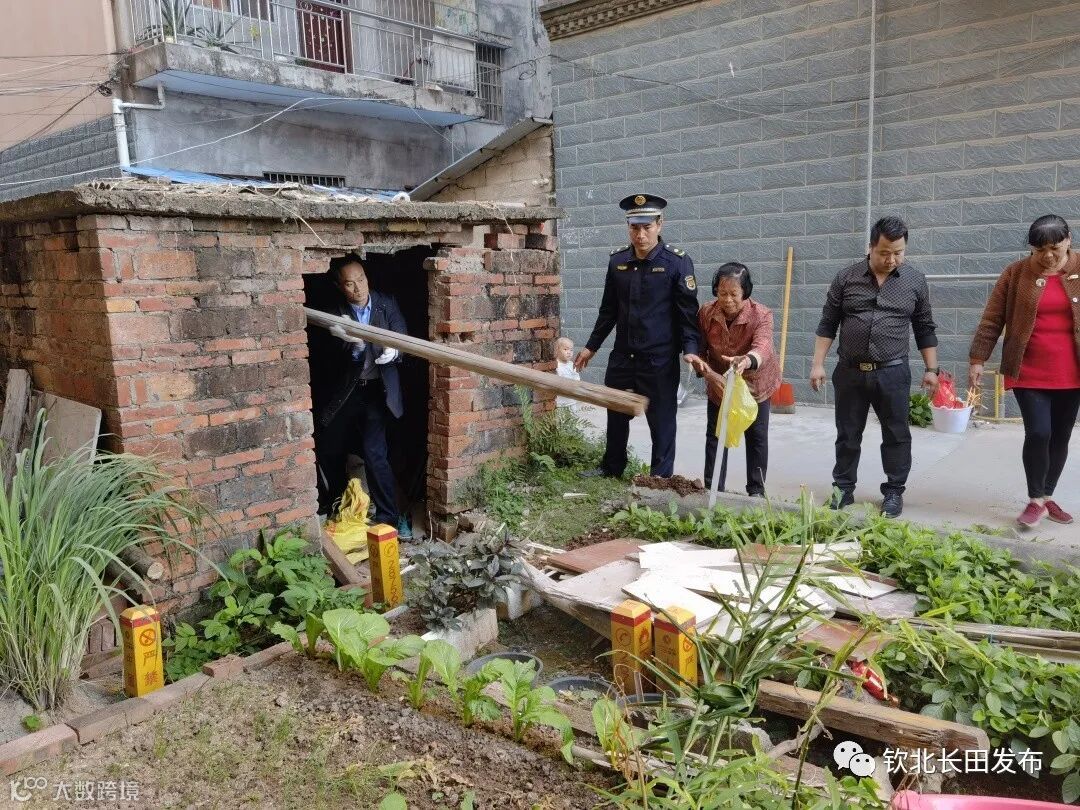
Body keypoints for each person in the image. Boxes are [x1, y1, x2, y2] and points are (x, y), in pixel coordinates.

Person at [810, 216, 939, 518]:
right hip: (850, 371)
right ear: (870, 247)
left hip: (893, 372)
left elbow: (924, 327)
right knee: (847, 433)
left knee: (896, 434)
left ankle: (893, 491)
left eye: (898, 253)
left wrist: (931, 369)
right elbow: (828, 324)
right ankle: (843, 489)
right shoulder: (846, 278)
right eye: (884, 253)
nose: (891, 259)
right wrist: (817, 364)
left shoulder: (915, 281)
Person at [574, 194, 702, 478]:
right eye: (635, 227)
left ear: (659, 224)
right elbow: (608, 310)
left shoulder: (677, 263)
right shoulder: (617, 261)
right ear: (628, 227)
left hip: (659, 359)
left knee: (662, 420)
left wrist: (691, 349)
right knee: (616, 413)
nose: (640, 234)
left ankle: (659, 477)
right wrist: (591, 347)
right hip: (623, 356)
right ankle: (612, 468)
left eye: (647, 227)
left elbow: (687, 314)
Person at [968, 215, 1080, 528]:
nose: (1048, 256)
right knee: (1039, 431)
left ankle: (1047, 497)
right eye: (1039, 250)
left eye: (1055, 248)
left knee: (1060, 435)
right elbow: (992, 318)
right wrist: (977, 358)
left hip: (1072, 371)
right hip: (1028, 368)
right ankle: (1035, 499)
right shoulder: (1015, 273)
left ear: (1068, 240)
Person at [309, 254, 411, 538]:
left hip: (378, 392)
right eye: (349, 283)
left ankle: (388, 518)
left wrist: (395, 351)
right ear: (339, 286)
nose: (358, 288)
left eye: (362, 279)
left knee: (375, 453)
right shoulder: (334, 311)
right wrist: (352, 348)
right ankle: (339, 508)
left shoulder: (386, 303)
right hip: (346, 393)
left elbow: (402, 337)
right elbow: (324, 357)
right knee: (330, 447)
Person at [691, 263, 780, 496]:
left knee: (756, 437)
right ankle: (713, 489)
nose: (727, 300)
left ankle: (756, 491)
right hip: (719, 383)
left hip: (755, 383)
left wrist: (746, 360)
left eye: (734, 294)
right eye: (722, 293)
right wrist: (708, 373)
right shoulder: (706, 313)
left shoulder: (761, 314)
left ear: (745, 292)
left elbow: (763, 346)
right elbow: (699, 349)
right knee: (716, 435)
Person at [554, 337, 582, 414]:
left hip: (572, 400)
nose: (569, 352)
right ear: (557, 350)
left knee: (573, 417)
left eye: (571, 350)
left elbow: (577, 378)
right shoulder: (556, 365)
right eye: (565, 349)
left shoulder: (572, 365)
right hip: (560, 401)